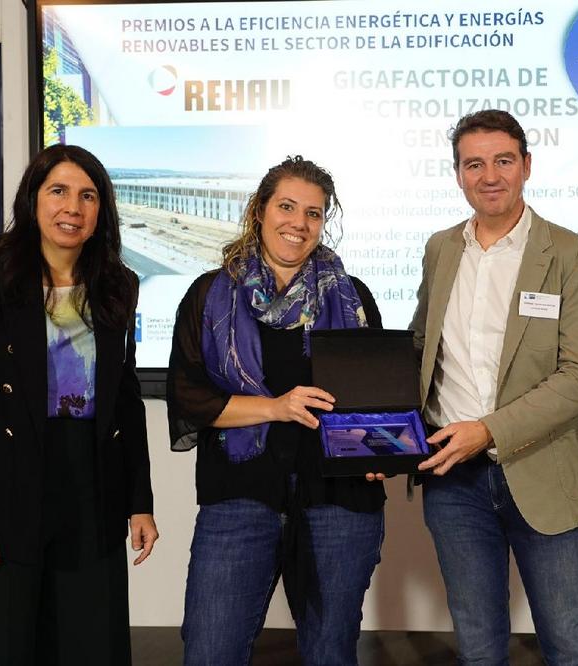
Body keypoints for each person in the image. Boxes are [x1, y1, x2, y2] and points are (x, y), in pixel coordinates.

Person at [0, 144, 158, 664]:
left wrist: (139, 501)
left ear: (101, 210)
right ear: (33, 199)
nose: (72, 208)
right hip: (2, 494)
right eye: (58, 191)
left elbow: (125, 400)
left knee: (89, 647)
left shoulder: (118, 285)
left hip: (91, 493)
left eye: (88, 196)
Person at [167, 156, 385, 665]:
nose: (298, 223)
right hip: (240, 494)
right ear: (259, 210)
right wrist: (276, 407)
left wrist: (380, 448)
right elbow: (189, 397)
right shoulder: (209, 295)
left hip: (339, 499)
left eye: (313, 213)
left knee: (330, 654)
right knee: (211, 652)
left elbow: (375, 401)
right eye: (287, 207)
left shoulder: (352, 296)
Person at [410, 110, 578, 664]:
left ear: (526, 166)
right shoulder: (441, 248)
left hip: (543, 472)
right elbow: (422, 348)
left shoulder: (572, 255)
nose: (490, 176)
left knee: (568, 647)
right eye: (474, 164)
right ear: (458, 175)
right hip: (454, 479)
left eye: (503, 161)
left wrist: (488, 431)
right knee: (477, 647)